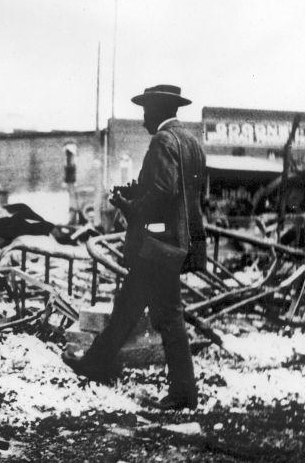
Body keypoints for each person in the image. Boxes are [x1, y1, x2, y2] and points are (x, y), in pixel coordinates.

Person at [63, 84, 207, 411]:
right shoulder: (192, 143)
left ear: (157, 110)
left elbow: (162, 193)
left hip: (157, 246)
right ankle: (98, 363)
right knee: (128, 305)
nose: (143, 118)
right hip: (177, 243)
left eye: (145, 111)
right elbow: (192, 197)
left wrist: (130, 206)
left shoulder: (162, 141)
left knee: (167, 316)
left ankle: (183, 392)